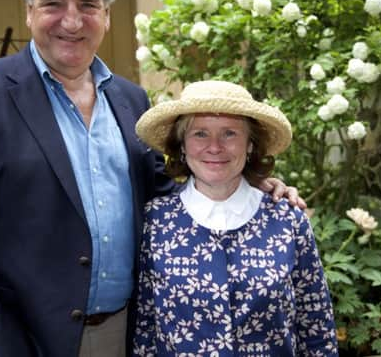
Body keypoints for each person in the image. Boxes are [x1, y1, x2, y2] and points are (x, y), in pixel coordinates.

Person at [0, 0, 303, 357]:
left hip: (127, 332)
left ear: (107, 15)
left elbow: (170, 193)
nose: (72, 20)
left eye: (87, 4)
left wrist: (250, 188)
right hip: (24, 337)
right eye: (53, 3)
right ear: (29, 11)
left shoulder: (130, 99)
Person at [132, 80, 338, 356]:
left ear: (250, 145)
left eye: (229, 133)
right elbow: (145, 328)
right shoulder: (156, 220)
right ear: (181, 144)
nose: (214, 147)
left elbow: (317, 328)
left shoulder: (287, 220)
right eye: (200, 134)